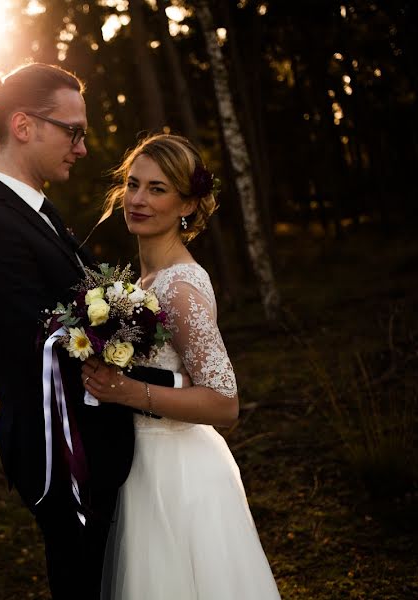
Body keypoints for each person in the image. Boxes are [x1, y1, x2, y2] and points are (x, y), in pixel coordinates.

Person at [0, 64, 182, 599]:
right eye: (73, 131)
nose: (82, 147)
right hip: (64, 452)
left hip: (94, 437)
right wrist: (172, 390)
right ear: (24, 126)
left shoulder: (35, 213)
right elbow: (48, 348)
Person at [82, 134, 281, 599]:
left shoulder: (179, 289)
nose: (137, 199)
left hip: (176, 473)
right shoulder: (143, 282)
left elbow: (225, 402)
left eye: (157, 189)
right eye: (133, 184)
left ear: (187, 204)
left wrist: (128, 392)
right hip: (138, 465)